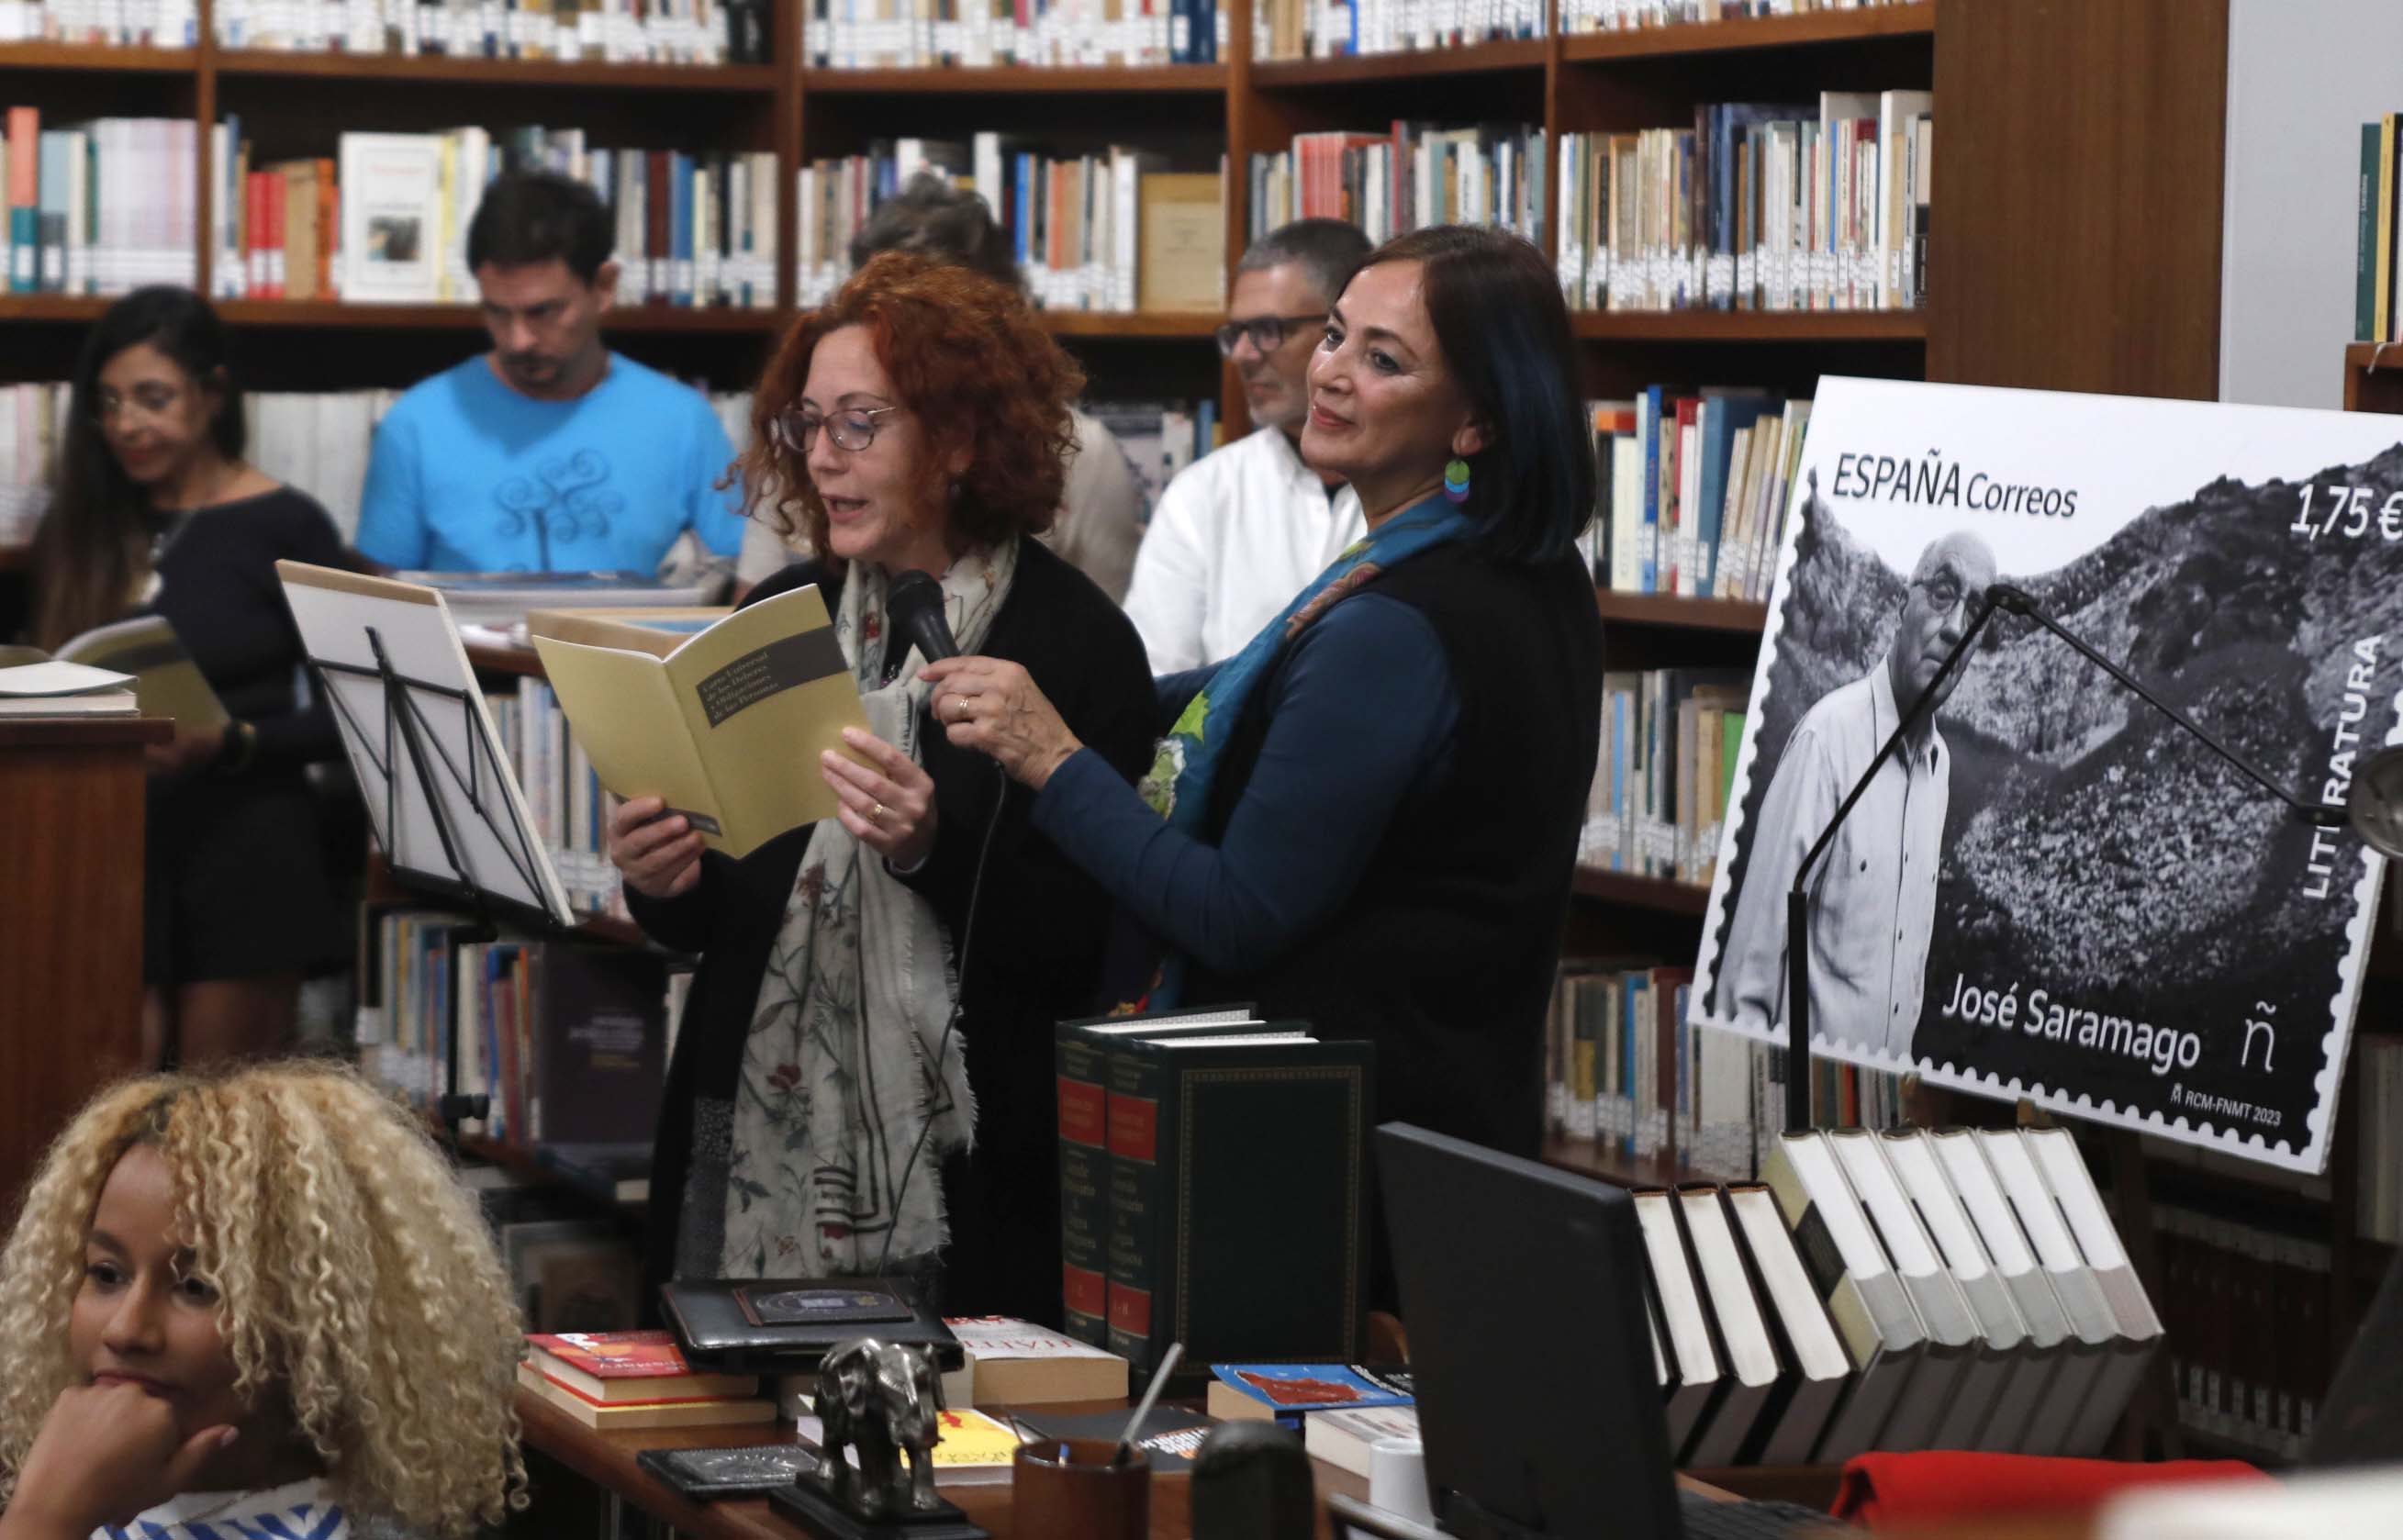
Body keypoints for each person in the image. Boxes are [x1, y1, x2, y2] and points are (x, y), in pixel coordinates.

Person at [924, 224, 1605, 1182]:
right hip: (1453, 1118)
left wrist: (1053, 759)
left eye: (1382, 359)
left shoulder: (1394, 623)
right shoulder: (1518, 565)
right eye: (1333, 335)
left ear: (1473, 423)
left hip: (1327, 1153)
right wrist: (1089, 693)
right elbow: (1253, 692)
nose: (1327, 373)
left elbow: (1233, 912)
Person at [606, 250, 1155, 1325]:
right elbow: (719, 914)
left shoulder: (1072, 643)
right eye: (809, 424)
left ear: (956, 438)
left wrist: (927, 850)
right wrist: (657, 876)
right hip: (743, 1114)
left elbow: (1085, 945)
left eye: (861, 423)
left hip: (968, 1164)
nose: (824, 458)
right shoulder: (780, 614)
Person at [23, 287, 352, 1068]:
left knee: (214, 1124)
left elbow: (357, 711)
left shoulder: (287, 524)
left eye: (153, 398)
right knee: (100, 1114)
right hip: (100, 847)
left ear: (211, 394)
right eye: (109, 403)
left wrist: (228, 741)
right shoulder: (82, 525)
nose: (128, 424)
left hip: (245, 848)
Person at [0, 1061, 526, 1540]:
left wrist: (44, 1518)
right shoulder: (119, 1491)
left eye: (197, 1287)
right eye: (106, 1274)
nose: (125, 1329)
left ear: (309, 1327)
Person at [733, 174, 1151, 603]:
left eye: (860, 422)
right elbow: (746, 632)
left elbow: (1108, 627)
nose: (823, 455)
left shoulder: (1085, 455)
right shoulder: (808, 440)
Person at [354, 169, 746, 575]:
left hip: (638, 640)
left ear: (604, 287)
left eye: (543, 312)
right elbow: (381, 603)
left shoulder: (683, 422)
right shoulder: (416, 425)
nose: (518, 340)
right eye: (497, 312)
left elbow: (748, 584)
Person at [1714, 525, 2000, 1060]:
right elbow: (1742, 988)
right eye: (1942, 594)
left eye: (1976, 615)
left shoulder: (1939, 771)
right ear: (1901, 606)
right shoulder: (1826, 743)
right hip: (1802, 1116)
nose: (1956, 628)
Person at [1120, 218, 1373, 673]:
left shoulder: (1418, 481)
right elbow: (1152, 680)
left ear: (1343, 332)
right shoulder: (1203, 492)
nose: (1243, 354)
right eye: (1236, 333)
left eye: (1269, 329)